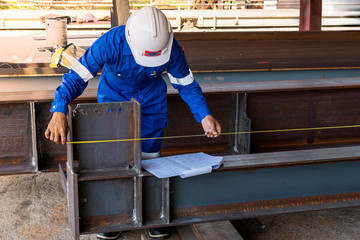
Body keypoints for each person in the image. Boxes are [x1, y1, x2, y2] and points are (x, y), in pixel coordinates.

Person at [45, 6, 221, 240]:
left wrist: (204, 115)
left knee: (150, 156)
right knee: (113, 156)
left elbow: (186, 84)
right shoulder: (110, 42)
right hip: (114, 98)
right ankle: (112, 214)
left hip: (151, 99)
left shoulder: (171, 47)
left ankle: (152, 212)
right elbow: (77, 76)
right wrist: (59, 109)